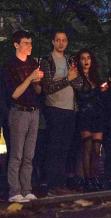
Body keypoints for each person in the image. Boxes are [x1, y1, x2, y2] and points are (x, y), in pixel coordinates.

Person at [40, 30, 83, 194]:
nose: (61, 43)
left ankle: (61, 183)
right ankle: (51, 184)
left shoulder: (70, 60)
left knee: (65, 148)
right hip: (54, 108)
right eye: (58, 40)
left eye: (64, 40)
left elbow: (78, 84)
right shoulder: (47, 61)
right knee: (54, 147)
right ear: (53, 42)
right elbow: (48, 87)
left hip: (70, 109)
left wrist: (70, 79)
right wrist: (67, 80)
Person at [4, 30, 44, 202]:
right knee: (17, 153)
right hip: (18, 111)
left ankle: (27, 189)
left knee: (29, 154)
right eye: (26, 43)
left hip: (34, 111)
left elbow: (39, 90)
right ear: (16, 44)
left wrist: (37, 82)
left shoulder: (33, 62)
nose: (29, 46)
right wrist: (30, 78)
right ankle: (14, 191)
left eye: (30, 43)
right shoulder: (10, 66)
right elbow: (14, 94)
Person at [75, 48, 103, 192]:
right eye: (83, 58)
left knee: (97, 149)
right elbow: (80, 96)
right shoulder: (77, 77)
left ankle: (94, 177)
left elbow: (102, 95)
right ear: (79, 61)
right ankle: (87, 179)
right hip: (85, 115)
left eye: (88, 58)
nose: (86, 61)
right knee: (87, 147)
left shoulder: (96, 78)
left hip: (97, 116)